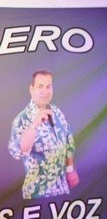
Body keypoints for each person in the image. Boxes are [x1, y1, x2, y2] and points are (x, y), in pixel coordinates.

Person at [8, 70, 79, 199]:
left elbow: (68, 139)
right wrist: (34, 125)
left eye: (48, 86)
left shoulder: (56, 111)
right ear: (31, 89)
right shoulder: (22, 119)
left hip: (61, 188)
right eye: (40, 86)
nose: (45, 91)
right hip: (38, 193)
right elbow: (17, 152)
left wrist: (70, 168)